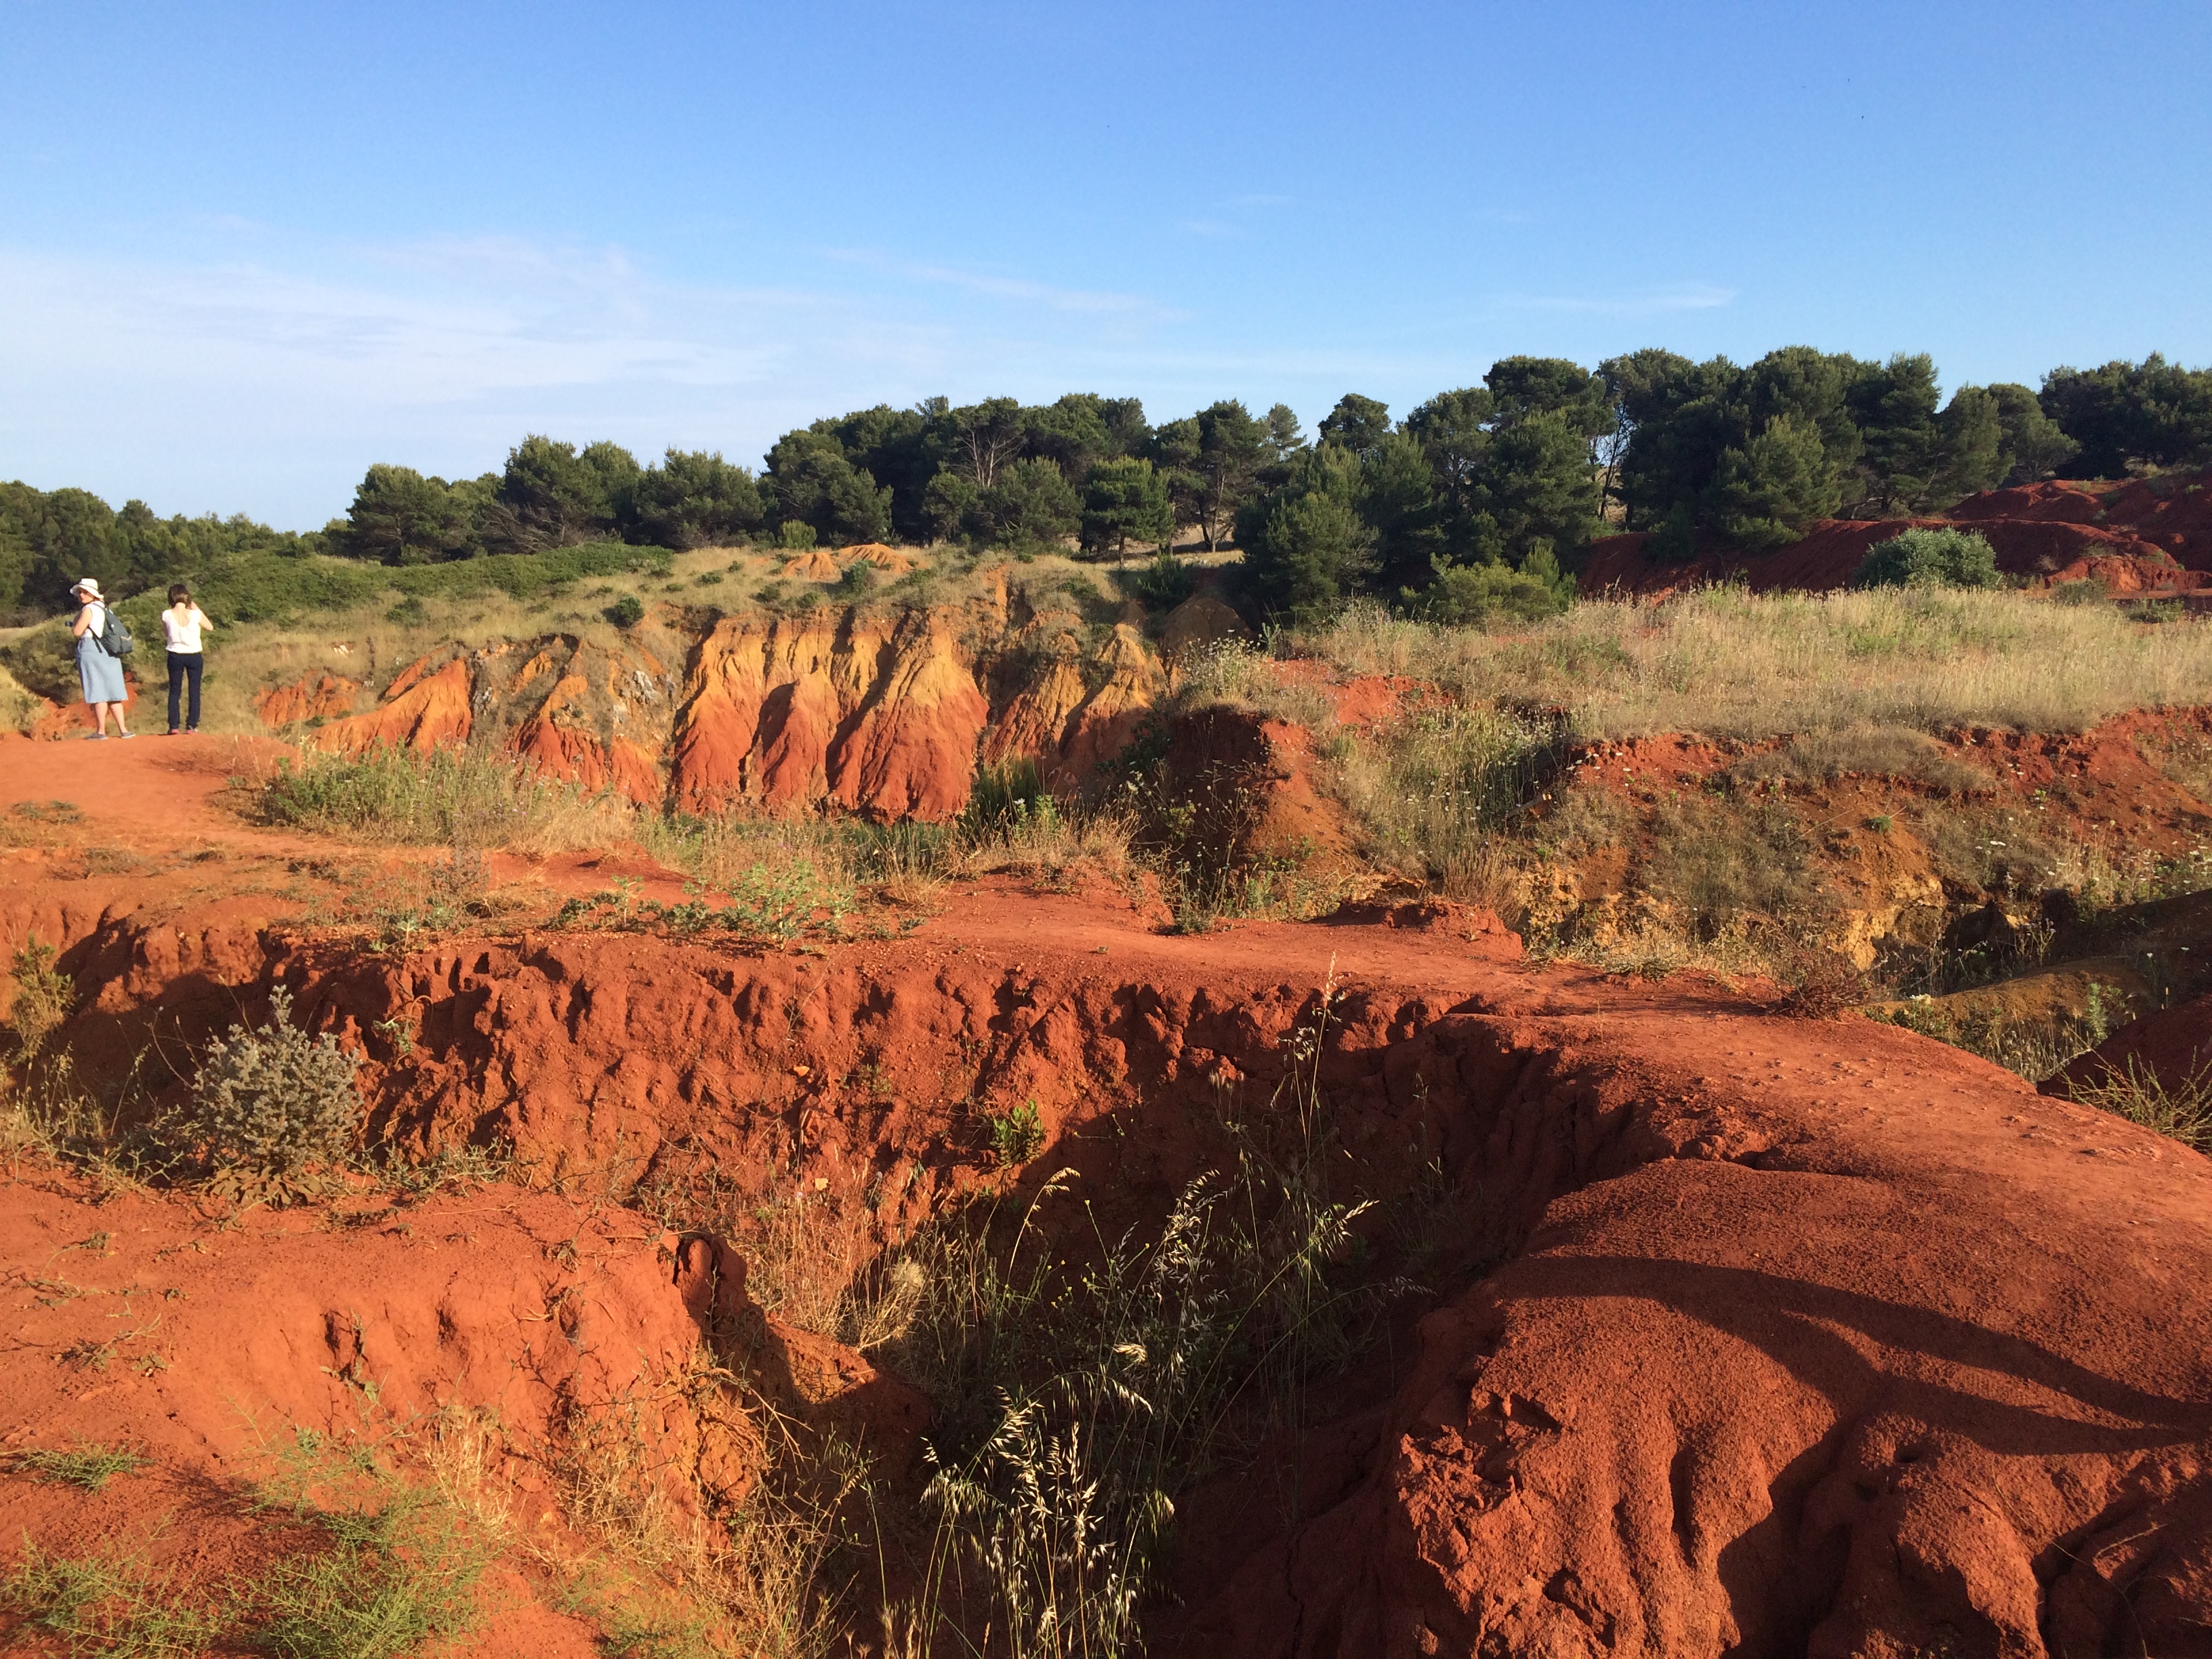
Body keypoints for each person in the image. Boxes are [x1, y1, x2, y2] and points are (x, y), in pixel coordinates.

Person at [68, 578, 132, 739]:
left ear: (92, 594)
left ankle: (101, 731)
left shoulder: (88, 610)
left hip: (91, 649)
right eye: (81, 592)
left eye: (85, 592)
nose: (82, 595)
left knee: (98, 691)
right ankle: (124, 730)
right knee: (114, 692)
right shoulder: (105, 608)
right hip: (109, 650)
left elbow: (77, 632)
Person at [160, 583, 214, 734]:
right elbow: (209, 627)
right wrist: (194, 605)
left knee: (174, 691)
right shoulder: (195, 614)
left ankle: (174, 726)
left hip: (175, 654)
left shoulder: (165, 614)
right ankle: (192, 725)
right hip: (194, 655)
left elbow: (167, 634)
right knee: (194, 690)